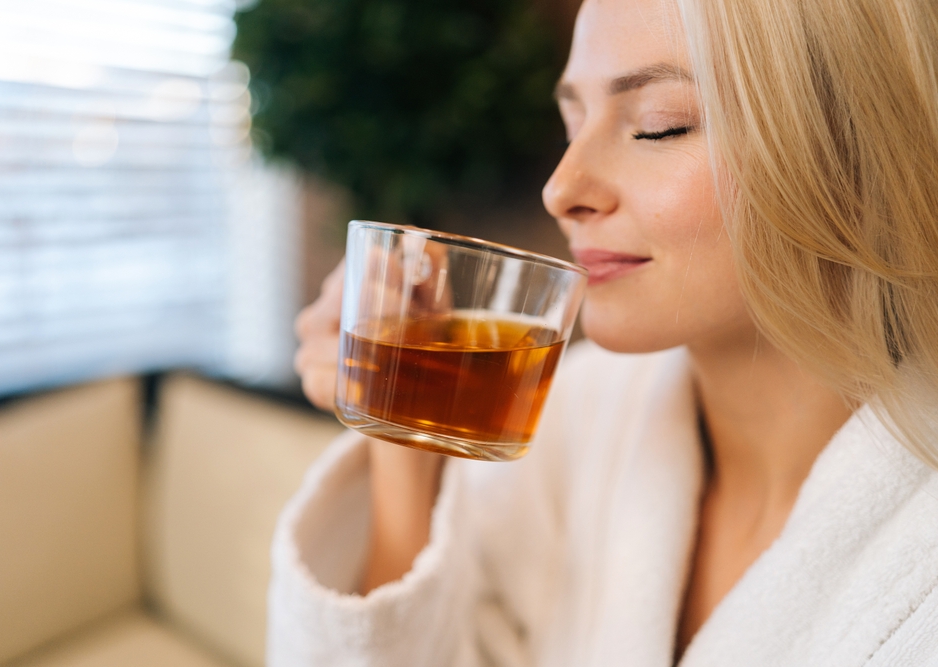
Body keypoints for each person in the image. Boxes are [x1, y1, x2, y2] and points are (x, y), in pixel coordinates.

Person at [272, 0, 938, 664]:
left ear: (856, 150)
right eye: (572, 124)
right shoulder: (578, 415)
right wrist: (403, 442)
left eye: (658, 126)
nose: (561, 189)